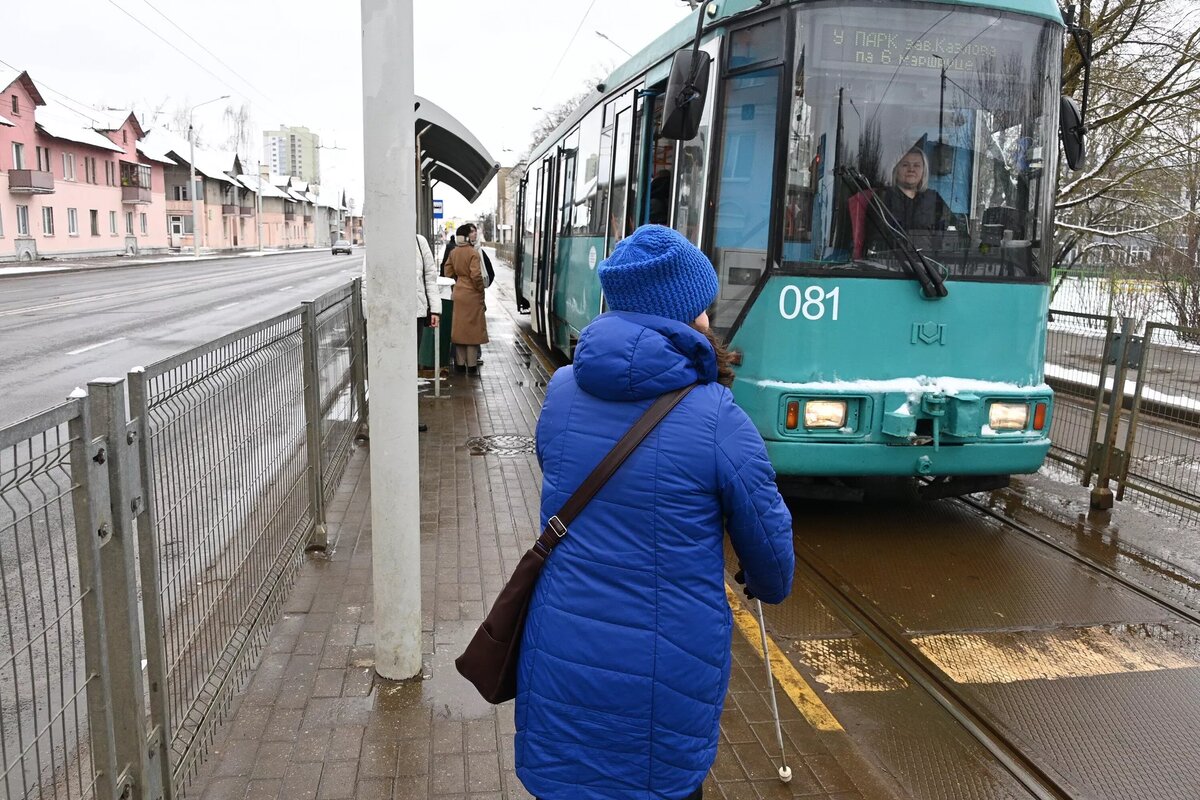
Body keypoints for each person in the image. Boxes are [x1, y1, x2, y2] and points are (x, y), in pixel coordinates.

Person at [515, 224, 795, 800]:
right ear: (689, 315)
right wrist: (762, 581)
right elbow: (771, 556)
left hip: (562, 645)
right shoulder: (717, 415)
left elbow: (558, 472)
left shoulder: (564, 388)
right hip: (664, 667)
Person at [853, 147, 952, 258]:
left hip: (928, 267)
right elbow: (875, 240)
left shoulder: (934, 200)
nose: (911, 169)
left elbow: (947, 236)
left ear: (924, 171)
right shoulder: (882, 198)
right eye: (905, 165)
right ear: (896, 169)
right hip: (889, 264)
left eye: (917, 165)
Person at [443, 223, 488, 373]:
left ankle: (460, 365)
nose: (475, 235)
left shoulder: (454, 252)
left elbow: (447, 271)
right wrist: (480, 289)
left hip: (458, 292)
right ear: (467, 237)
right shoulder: (472, 253)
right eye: (472, 233)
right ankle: (472, 365)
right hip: (472, 295)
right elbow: (476, 275)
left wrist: (457, 283)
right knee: (472, 332)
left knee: (460, 331)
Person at [414, 233, 440, 431]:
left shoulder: (419, 241)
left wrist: (435, 310)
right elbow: (366, 278)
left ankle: (410, 416)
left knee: (411, 365)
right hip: (389, 315)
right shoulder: (381, 238)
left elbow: (430, 277)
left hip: (416, 313)